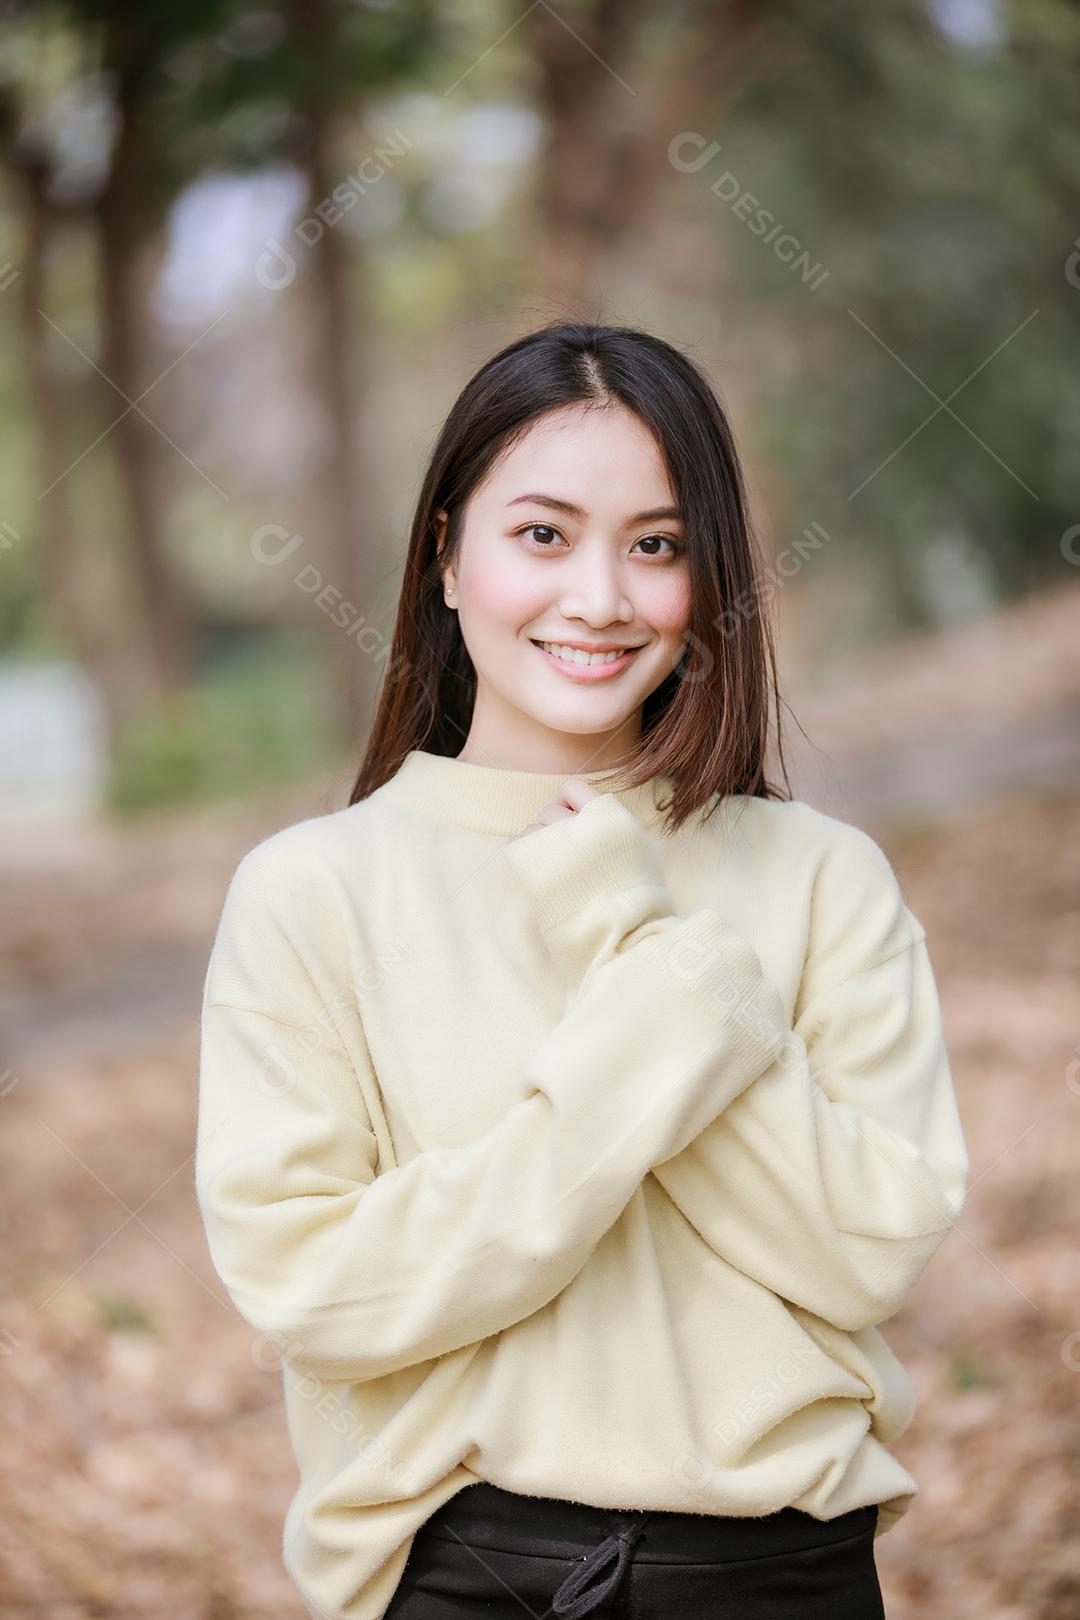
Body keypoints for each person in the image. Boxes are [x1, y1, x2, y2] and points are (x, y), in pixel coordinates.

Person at [195, 321, 969, 1620]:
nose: (601, 597)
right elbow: (318, 1286)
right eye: (542, 535)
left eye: (656, 546)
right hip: (465, 1576)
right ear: (447, 556)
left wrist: (635, 933)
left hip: (784, 1574)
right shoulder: (314, 892)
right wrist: (669, 1016)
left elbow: (868, 1250)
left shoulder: (822, 876)